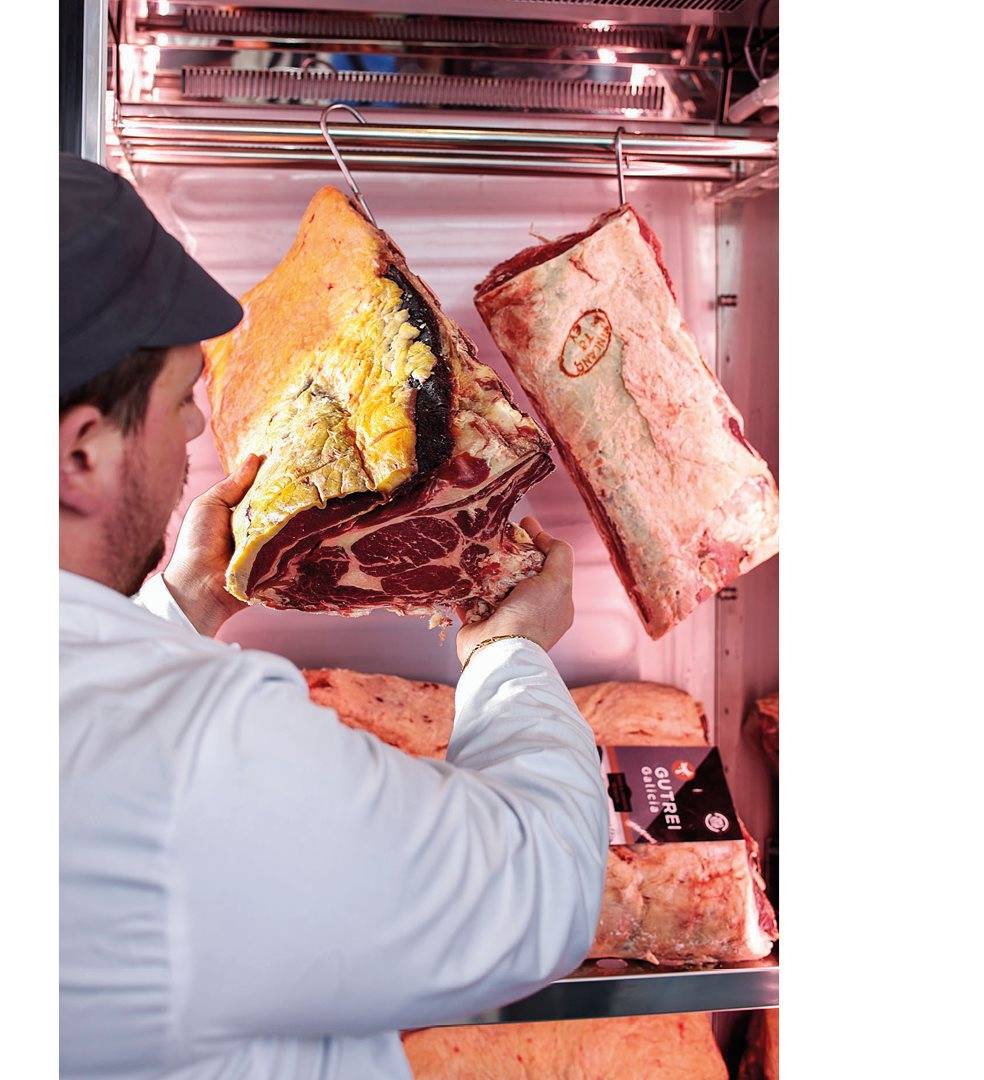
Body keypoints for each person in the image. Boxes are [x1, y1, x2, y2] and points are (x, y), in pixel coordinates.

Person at [58, 154, 609, 1079]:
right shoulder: (192, 753)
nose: (194, 430)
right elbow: (535, 891)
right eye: (179, 400)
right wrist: (510, 653)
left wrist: (183, 606)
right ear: (82, 453)